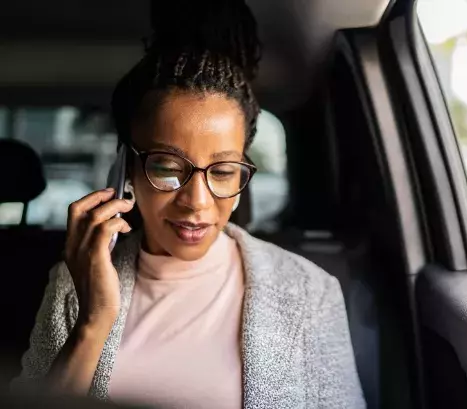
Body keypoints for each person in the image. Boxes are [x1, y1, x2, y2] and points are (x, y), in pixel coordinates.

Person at [12, 1, 365, 408]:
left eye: (222, 171)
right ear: (125, 169)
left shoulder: (310, 293)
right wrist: (92, 324)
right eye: (167, 167)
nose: (197, 202)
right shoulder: (72, 286)